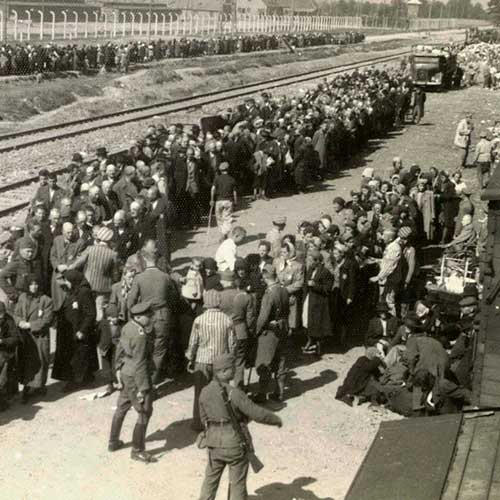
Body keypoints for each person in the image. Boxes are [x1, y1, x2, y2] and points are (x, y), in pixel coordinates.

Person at [197, 353, 282, 500]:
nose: (235, 371)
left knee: (210, 481)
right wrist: (275, 419)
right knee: (237, 484)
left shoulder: (204, 392)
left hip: (213, 444)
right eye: (232, 368)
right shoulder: (234, 393)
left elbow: (204, 418)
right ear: (223, 371)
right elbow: (257, 413)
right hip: (235, 444)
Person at [108, 301, 157, 463]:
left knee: (122, 406)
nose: (151, 318)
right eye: (148, 316)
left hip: (126, 372)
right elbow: (141, 363)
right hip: (137, 376)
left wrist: (117, 369)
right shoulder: (140, 335)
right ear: (139, 317)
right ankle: (137, 450)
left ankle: (113, 442)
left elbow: (119, 349)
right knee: (144, 412)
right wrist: (143, 388)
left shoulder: (128, 327)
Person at [185, 289, 235, 431]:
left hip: (202, 360)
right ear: (219, 302)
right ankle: (220, 420)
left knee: (200, 393)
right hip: (221, 362)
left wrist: (190, 357)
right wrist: (231, 359)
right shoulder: (227, 320)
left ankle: (198, 422)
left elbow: (193, 342)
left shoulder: (199, 320)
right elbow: (233, 344)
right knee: (221, 392)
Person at [52, 270, 98, 392]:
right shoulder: (74, 290)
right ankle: (83, 378)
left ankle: (75, 382)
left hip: (78, 331)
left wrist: (82, 330)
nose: (65, 283)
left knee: (76, 357)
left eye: (67, 280)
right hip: (70, 330)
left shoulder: (84, 292)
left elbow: (90, 314)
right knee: (77, 356)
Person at [14, 276, 53, 403]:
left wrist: (30, 325)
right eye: (31, 284)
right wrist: (20, 322)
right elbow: (17, 313)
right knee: (26, 363)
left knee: (41, 362)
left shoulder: (46, 300)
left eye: (36, 284)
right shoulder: (22, 297)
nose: (34, 286)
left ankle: (39, 386)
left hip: (39, 337)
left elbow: (47, 320)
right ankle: (26, 388)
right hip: (26, 337)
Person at [254, 264, 289, 403]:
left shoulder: (269, 293)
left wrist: (256, 331)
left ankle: (262, 394)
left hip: (270, 332)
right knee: (281, 361)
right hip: (283, 328)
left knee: (264, 362)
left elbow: (263, 317)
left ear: (264, 276)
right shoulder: (283, 289)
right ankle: (280, 393)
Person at [302, 249, 333, 356]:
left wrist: (315, 285)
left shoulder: (325, 272)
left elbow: (327, 289)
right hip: (310, 299)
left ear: (317, 261)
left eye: (311, 260)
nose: (309, 263)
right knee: (307, 321)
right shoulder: (310, 269)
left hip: (319, 302)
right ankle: (310, 340)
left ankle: (319, 345)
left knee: (318, 324)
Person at [0, 301, 21, 411]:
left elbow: (15, 338)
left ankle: (2, 402)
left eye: (2, 313)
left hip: (5, 353)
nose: (1, 316)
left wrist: (2, 341)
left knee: (2, 381)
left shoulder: (9, 320)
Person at [210, 162, 237, 240]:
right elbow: (234, 192)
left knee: (219, 219)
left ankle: (222, 234)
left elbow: (212, 189)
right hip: (228, 201)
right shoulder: (232, 179)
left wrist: (212, 199)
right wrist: (235, 202)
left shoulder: (217, 178)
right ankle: (225, 234)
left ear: (220, 170)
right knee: (227, 219)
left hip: (219, 201)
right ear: (228, 169)